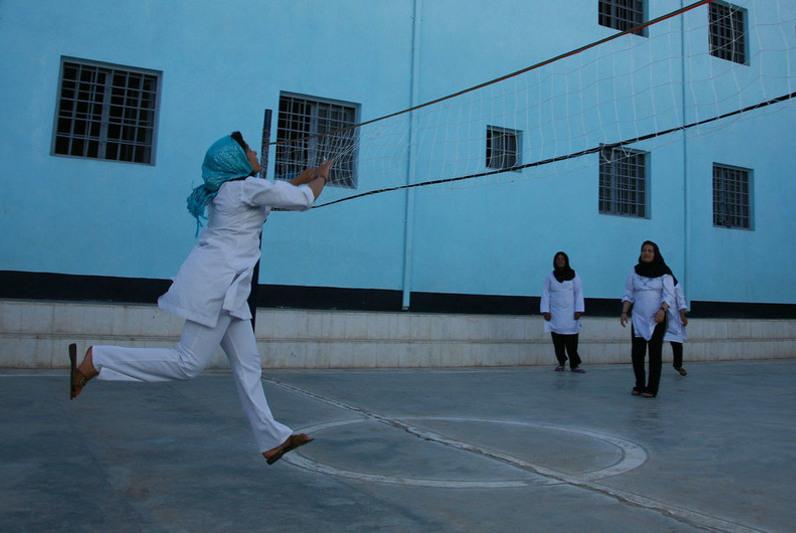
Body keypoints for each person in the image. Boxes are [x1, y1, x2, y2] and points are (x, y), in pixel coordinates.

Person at [68, 131, 329, 465]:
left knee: (248, 366)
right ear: (236, 160)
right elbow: (302, 200)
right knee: (186, 364)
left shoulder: (232, 190)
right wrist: (321, 178)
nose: (254, 152)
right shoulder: (244, 188)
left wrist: (303, 178)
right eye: (249, 150)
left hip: (230, 292)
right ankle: (99, 358)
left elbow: (274, 197)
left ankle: (271, 439)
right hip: (219, 289)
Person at [620, 241, 675, 398]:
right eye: (644, 250)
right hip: (638, 318)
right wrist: (624, 311)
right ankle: (639, 384)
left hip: (657, 318)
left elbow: (669, 294)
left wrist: (662, 310)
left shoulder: (664, 272)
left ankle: (651, 388)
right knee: (637, 354)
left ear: (655, 253)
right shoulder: (634, 271)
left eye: (650, 250)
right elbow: (629, 293)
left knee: (654, 354)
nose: (646, 253)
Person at [540, 251, 586, 373]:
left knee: (572, 341)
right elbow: (545, 293)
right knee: (557, 340)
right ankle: (561, 363)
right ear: (555, 261)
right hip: (555, 314)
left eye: (562, 259)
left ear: (566, 261)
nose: (560, 261)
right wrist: (545, 311)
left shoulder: (574, 275)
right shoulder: (550, 277)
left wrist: (579, 310)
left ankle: (574, 365)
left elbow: (579, 293)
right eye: (558, 259)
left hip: (571, 314)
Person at [664, 279, 689, 376]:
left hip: (673, 317)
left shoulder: (676, 285)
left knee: (677, 343)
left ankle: (678, 365)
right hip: (659, 316)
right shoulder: (657, 282)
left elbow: (681, 300)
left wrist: (682, 316)